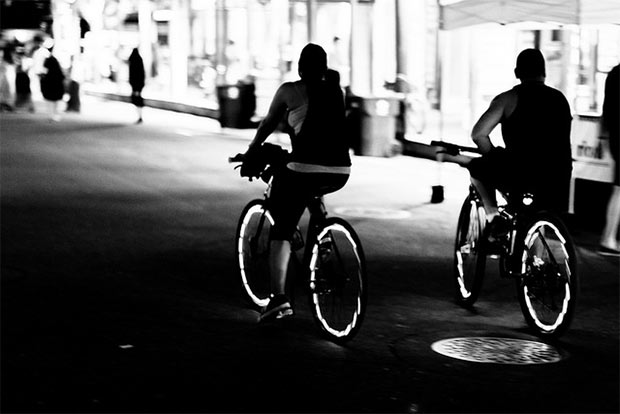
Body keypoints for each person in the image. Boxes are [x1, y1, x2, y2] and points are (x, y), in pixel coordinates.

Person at [240, 43, 351, 323]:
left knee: (282, 228)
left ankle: (278, 300)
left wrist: (253, 148)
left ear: (300, 67)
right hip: (341, 170)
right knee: (311, 184)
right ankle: (321, 237)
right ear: (325, 68)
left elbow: (268, 124)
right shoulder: (337, 91)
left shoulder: (290, 90)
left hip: (304, 166)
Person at [437, 48, 573, 240]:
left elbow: (479, 134)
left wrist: (492, 155)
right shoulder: (561, 99)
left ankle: (494, 217)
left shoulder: (507, 99)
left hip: (521, 171)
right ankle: (535, 257)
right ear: (544, 72)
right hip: (558, 175)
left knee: (477, 168)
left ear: (517, 73)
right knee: (540, 211)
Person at [599, 64, 620, 256]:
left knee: (618, 189)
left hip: (615, 135)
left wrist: (604, 135)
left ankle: (609, 236)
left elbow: (607, 107)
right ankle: (608, 237)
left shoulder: (614, 73)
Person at [40, 50, 65, 121]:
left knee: (50, 101)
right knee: (56, 101)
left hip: (49, 84)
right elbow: (61, 75)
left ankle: (50, 115)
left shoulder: (47, 61)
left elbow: (44, 72)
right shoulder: (57, 63)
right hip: (57, 84)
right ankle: (55, 115)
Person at [128, 48, 145, 123]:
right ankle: (140, 115)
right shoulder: (140, 60)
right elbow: (142, 74)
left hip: (135, 85)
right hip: (139, 84)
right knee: (138, 99)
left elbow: (131, 74)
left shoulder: (132, 61)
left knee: (136, 99)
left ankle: (140, 116)